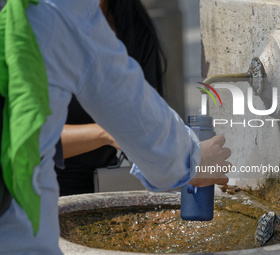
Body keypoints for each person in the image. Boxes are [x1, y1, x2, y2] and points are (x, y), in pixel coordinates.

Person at [0, 0, 231, 254]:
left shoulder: (131, 24)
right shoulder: (62, 10)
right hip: (19, 216)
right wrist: (195, 159)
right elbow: (135, 115)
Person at [56, 0, 167, 196]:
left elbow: (149, 121)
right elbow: (27, 139)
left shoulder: (133, 24)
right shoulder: (37, 25)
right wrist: (107, 132)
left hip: (106, 186)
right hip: (32, 194)